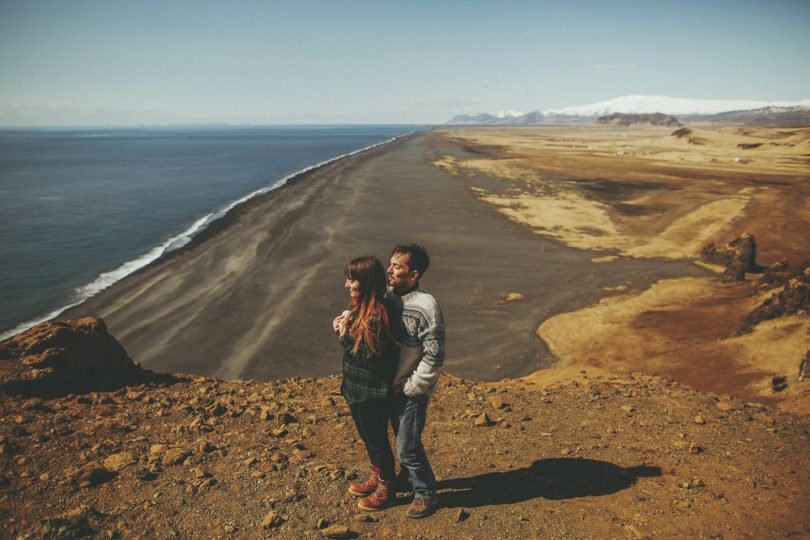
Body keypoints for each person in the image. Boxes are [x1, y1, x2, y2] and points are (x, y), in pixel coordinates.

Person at [332, 256, 400, 511]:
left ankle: (387, 488)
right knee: (367, 438)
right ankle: (378, 477)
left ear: (367, 282)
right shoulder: (362, 308)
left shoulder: (377, 316)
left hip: (372, 392)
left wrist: (343, 335)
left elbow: (370, 359)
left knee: (377, 441)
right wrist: (345, 326)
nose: (347, 286)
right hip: (356, 389)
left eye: (352, 280)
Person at [387, 243, 445, 518]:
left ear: (414, 275)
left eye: (397, 267)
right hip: (390, 387)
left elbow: (435, 354)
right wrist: (344, 319)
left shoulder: (427, 306)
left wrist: (413, 387)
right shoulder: (388, 295)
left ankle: (425, 493)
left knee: (408, 448)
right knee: (402, 439)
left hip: (410, 390)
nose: (389, 270)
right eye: (391, 264)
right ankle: (407, 478)